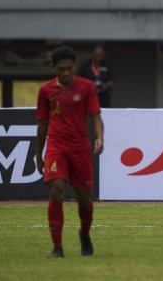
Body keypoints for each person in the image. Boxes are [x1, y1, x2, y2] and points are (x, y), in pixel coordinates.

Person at [36, 45, 104, 258]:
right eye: (61, 69)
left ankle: (84, 234)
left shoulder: (87, 87)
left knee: (84, 199)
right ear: (53, 68)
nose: (65, 73)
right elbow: (43, 123)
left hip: (80, 148)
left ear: (75, 66)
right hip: (56, 147)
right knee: (56, 190)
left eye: (69, 68)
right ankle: (58, 247)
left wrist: (100, 137)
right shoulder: (45, 91)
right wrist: (39, 154)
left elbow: (95, 116)